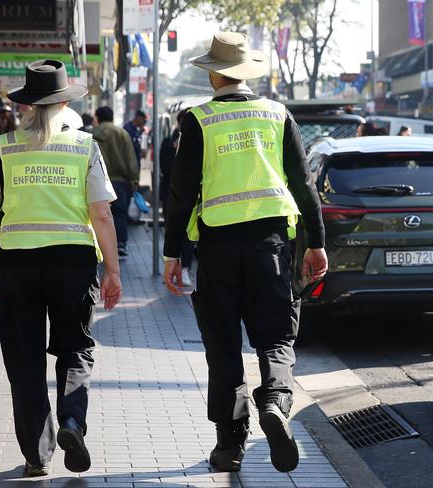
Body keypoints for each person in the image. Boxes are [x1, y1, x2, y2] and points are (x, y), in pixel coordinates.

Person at [163, 32, 328, 473]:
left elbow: (181, 193)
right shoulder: (278, 114)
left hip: (217, 251)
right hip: (272, 248)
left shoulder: (198, 120)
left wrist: (171, 253)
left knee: (223, 348)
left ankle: (229, 447)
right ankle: (274, 402)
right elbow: (303, 183)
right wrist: (317, 241)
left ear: (214, 74)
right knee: (276, 338)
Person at [0, 59, 122, 477]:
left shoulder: (4, 146)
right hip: (72, 263)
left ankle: (37, 455)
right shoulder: (85, 146)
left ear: (27, 106)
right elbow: (102, 214)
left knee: (25, 359)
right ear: (63, 105)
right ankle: (72, 420)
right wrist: (112, 270)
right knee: (75, 347)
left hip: (18, 264)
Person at [93, 106, 139, 257]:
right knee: (119, 214)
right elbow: (130, 158)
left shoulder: (92, 135)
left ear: (98, 118)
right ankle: (120, 244)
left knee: (99, 215)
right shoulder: (122, 134)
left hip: (97, 181)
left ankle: (100, 246)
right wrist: (133, 179)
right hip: (120, 182)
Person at [160, 109, 195, 286]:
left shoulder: (196, 140)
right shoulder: (168, 142)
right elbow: (164, 168)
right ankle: (173, 265)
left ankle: (185, 269)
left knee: (188, 236)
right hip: (170, 194)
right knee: (172, 230)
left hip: (191, 198)